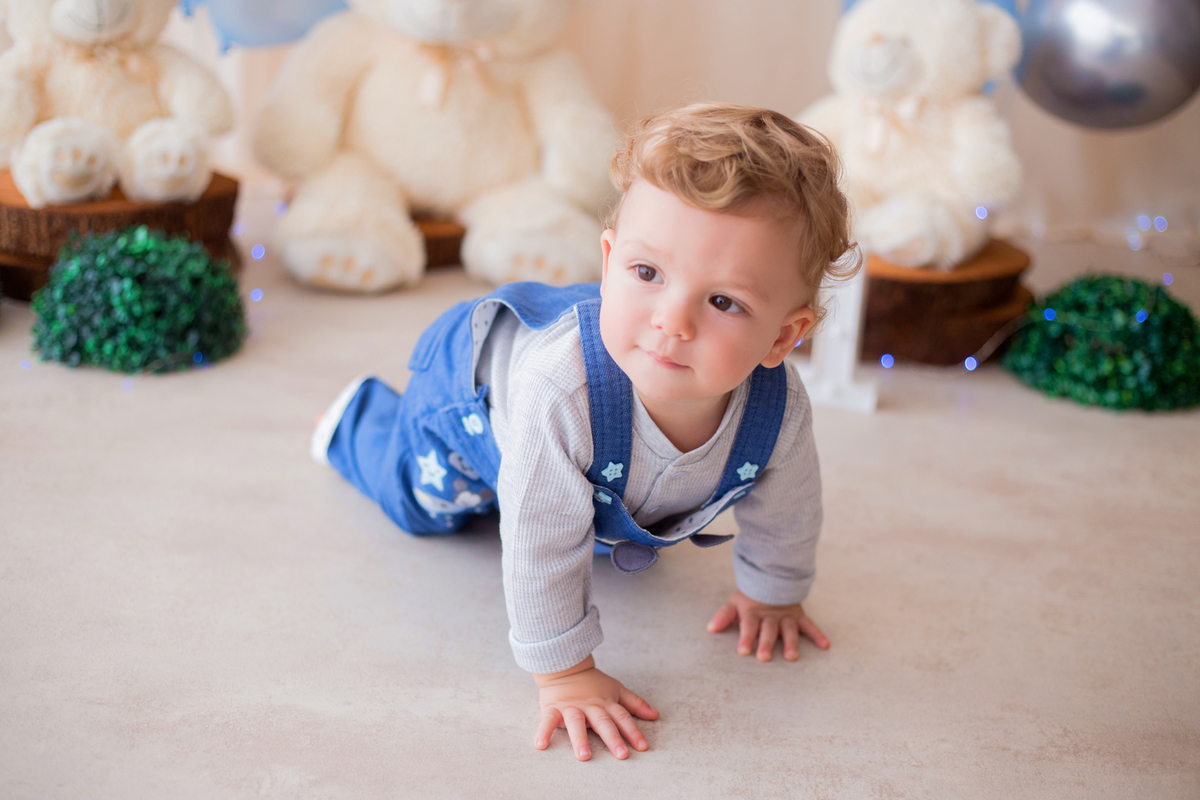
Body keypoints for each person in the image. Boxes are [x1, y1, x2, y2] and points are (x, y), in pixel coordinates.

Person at [311, 102, 859, 761]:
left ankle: (591, 498)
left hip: (586, 455)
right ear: (608, 262)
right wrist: (565, 674)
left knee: (581, 502)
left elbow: (790, 509)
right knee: (428, 505)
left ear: (784, 335)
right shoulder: (559, 390)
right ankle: (356, 423)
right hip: (470, 402)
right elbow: (540, 542)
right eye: (646, 273)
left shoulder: (777, 410)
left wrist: (773, 592)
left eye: (722, 302)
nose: (670, 322)